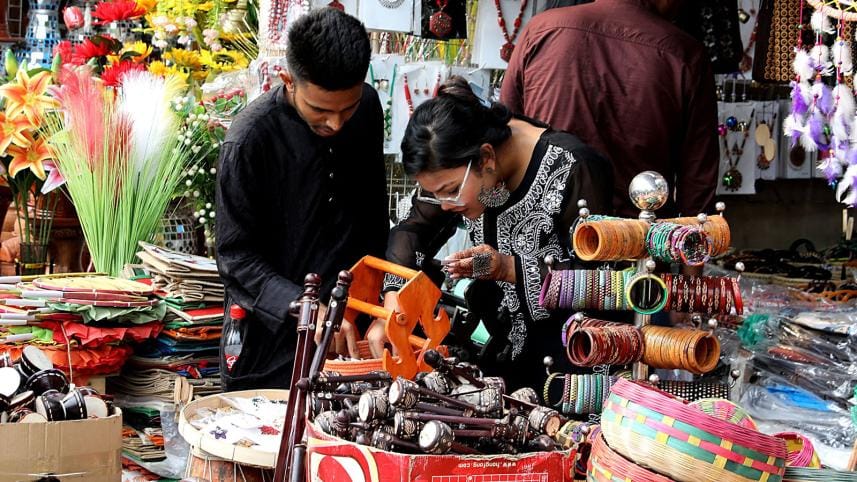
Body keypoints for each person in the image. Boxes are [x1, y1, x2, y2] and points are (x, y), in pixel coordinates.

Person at [373, 77, 613, 390]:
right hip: (501, 365)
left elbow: (605, 283)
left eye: (450, 191)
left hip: (573, 371)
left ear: (486, 157)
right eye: (436, 195)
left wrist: (507, 268)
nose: (445, 206)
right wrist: (394, 302)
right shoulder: (457, 167)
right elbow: (414, 229)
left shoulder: (573, 166)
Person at [215, 9, 389, 391]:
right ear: (287, 81)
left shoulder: (369, 109)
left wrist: (386, 298)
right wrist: (305, 308)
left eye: (348, 108)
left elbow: (375, 220)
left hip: (351, 340)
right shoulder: (249, 139)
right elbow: (234, 257)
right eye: (321, 111)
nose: (336, 124)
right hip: (269, 345)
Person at [500, 0, 718, 219]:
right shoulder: (685, 55)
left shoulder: (542, 29)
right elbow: (698, 184)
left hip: (542, 231)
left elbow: (503, 135)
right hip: (636, 238)